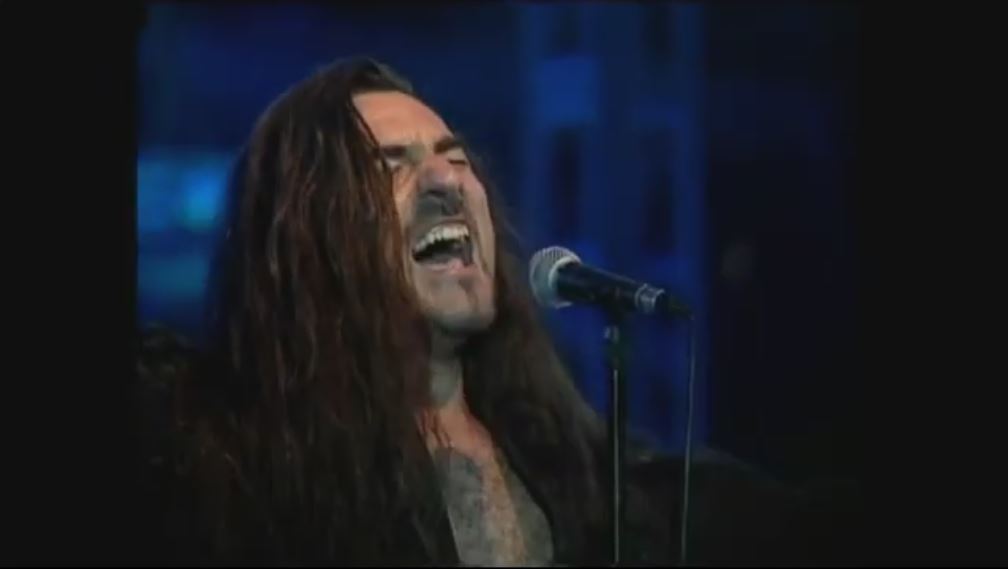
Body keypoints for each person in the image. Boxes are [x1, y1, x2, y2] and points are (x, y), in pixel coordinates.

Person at [136, 57, 860, 565]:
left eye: (455, 158)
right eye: (391, 164)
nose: (445, 180)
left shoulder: (574, 462)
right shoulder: (221, 457)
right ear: (305, 236)